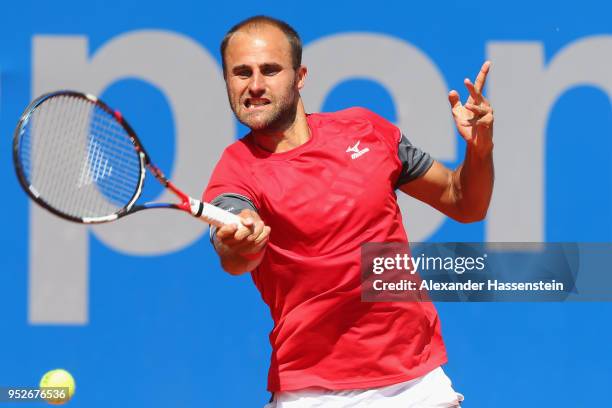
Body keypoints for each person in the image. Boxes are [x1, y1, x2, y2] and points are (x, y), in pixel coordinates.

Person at [204, 15, 494, 408]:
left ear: (300, 76)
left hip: (415, 386)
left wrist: (480, 148)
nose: (255, 85)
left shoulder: (366, 129)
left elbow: (464, 202)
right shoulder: (234, 169)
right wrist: (243, 240)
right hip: (310, 393)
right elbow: (236, 255)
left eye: (269, 70)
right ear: (227, 81)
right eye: (241, 73)